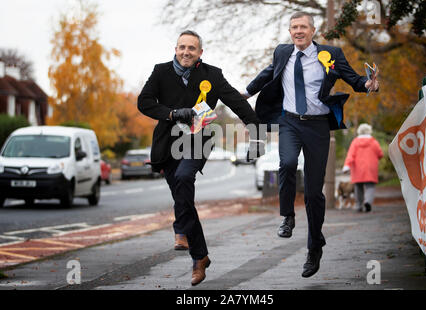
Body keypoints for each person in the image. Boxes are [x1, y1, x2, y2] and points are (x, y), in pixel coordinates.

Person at [243, 12, 379, 278]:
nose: (298, 31)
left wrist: (368, 84)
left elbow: (353, 79)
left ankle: (314, 246)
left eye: (303, 27)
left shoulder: (332, 54)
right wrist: (245, 93)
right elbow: (267, 74)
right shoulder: (283, 52)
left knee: (315, 192)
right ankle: (287, 217)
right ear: (290, 31)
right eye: (294, 27)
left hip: (317, 125)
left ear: (313, 30)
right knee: (288, 162)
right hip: (289, 122)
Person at [137, 30, 264, 286]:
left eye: (191, 48)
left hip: (197, 141)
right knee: (182, 198)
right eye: (182, 47)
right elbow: (144, 102)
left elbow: (236, 103)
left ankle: (183, 233)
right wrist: (172, 113)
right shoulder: (160, 72)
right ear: (175, 49)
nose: (186, 52)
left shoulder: (212, 75)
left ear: (200, 53)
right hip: (167, 144)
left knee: (185, 178)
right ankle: (201, 257)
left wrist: (257, 133)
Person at [343, 123, 383, 212]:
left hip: (358, 168)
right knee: (370, 186)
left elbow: (350, 155)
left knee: (358, 187)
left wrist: (346, 166)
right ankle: (368, 201)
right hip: (370, 167)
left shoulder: (355, 142)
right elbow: (380, 154)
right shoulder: (374, 142)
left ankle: (358, 205)